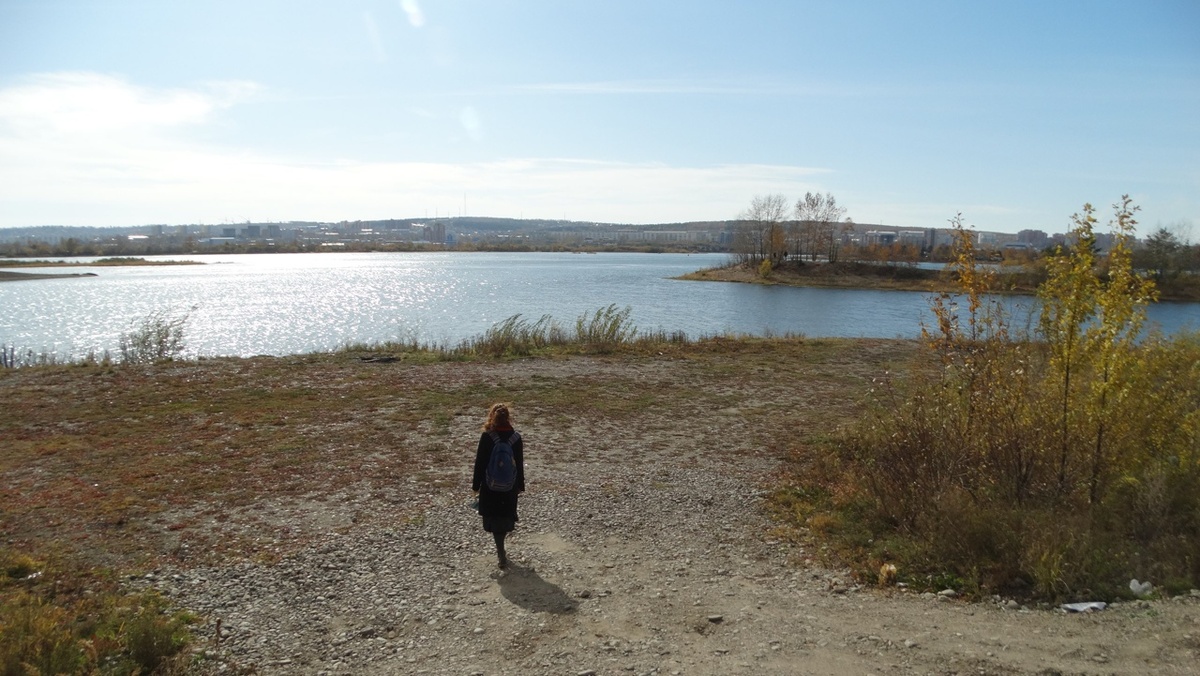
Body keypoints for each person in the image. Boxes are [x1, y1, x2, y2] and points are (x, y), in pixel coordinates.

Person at [472, 402, 525, 568]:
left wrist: (476, 486)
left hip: (490, 486)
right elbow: (519, 463)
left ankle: (500, 551)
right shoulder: (516, 438)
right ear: (508, 417)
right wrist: (520, 485)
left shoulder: (487, 437)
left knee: (494, 519)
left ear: (491, 417)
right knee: (505, 517)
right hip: (509, 486)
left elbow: (480, 463)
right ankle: (502, 549)